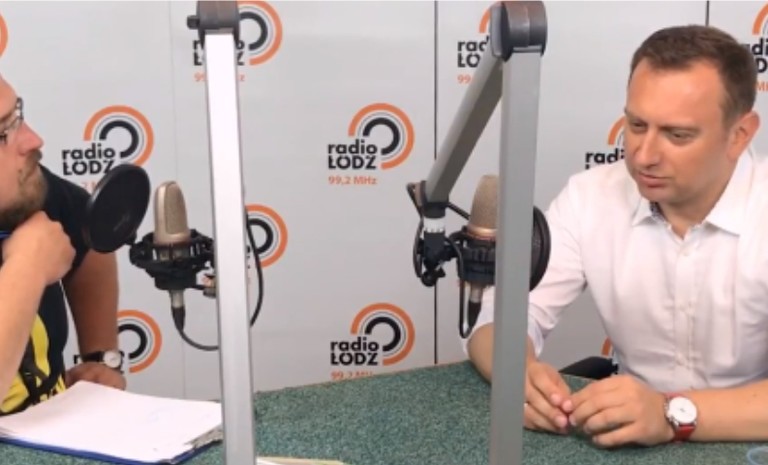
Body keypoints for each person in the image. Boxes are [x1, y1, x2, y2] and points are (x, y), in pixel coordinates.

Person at [466, 24, 768, 448]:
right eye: (637, 125)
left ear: (739, 135)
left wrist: (669, 413)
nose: (644, 155)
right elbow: (498, 319)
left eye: (677, 135)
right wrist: (521, 375)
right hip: (628, 440)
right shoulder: (590, 197)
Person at [0, 73, 126, 415]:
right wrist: (28, 265)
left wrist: (99, 357)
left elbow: (87, 228)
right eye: (4, 132)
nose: (33, 140)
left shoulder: (21, 190)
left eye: (18, 116)